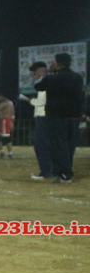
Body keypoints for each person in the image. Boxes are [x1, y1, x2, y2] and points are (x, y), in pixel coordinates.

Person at [33, 52, 85, 184]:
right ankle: (67, 171)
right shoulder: (78, 77)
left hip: (57, 116)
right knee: (69, 146)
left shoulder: (52, 77)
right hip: (75, 116)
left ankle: (64, 174)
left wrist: (49, 73)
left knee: (58, 146)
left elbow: (37, 86)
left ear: (57, 63)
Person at [21, 61, 53, 181]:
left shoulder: (44, 83)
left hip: (43, 116)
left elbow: (42, 102)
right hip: (49, 116)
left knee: (41, 145)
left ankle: (46, 171)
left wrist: (29, 100)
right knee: (48, 144)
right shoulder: (51, 81)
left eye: (33, 74)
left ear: (39, 73)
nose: (32, 76)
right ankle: (50, 170)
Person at [0, 92, 14, 159]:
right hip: (7, 120)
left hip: (4, 120)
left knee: (6, 138)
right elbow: (13, 114)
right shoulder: (10, 103)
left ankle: (10, 153)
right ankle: (2, 152)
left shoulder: (4, 103)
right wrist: (12, 122)